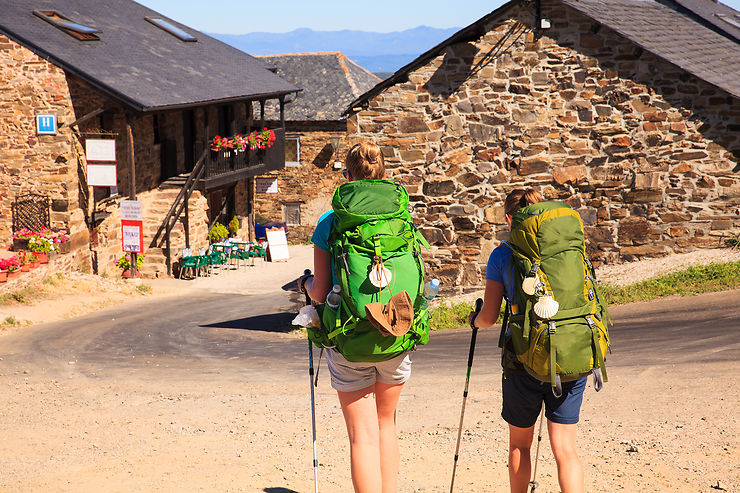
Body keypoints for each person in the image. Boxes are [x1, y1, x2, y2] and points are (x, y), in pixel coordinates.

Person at [303, 141, 412, 493]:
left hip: (349, 338)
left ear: (346, 177)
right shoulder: (401, 216)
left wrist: (304, 282)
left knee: (362, 436)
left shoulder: (330, 222)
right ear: (384, 174)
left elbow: (319, 292)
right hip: (396, 331)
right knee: (386, 426)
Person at [469, 188, 587, 493]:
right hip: (570, 352)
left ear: (510, 218)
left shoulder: (502, 255)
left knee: (520, 445)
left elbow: (490, 316)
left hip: (522, 359)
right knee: (565, 449)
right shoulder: (567, 249)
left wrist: (474, 319)